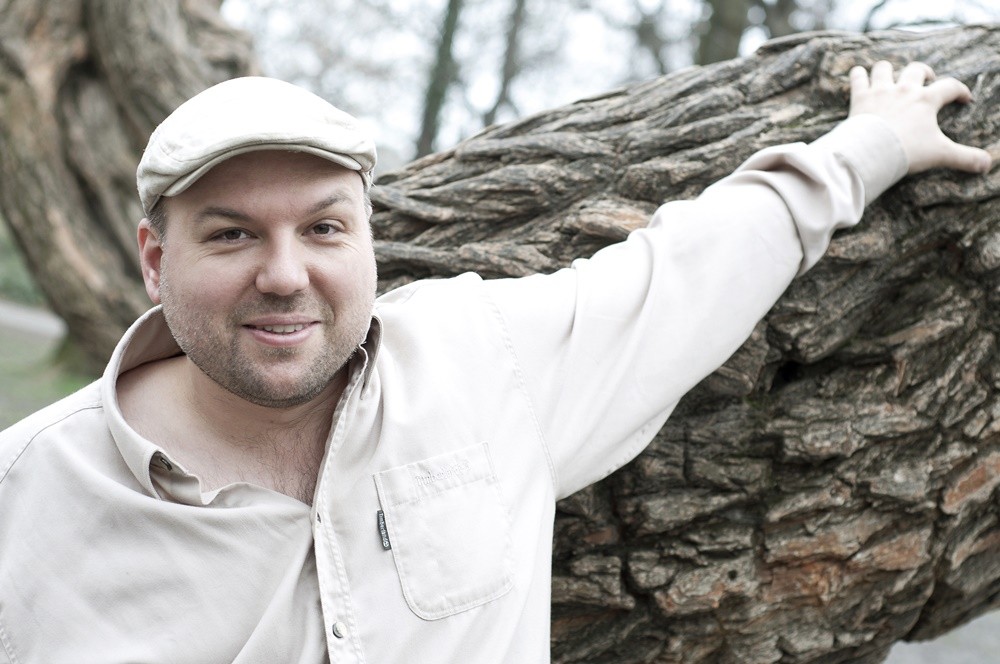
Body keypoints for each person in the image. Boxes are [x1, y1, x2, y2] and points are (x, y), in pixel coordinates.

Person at [0, 61, 990, 663]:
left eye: (324, 228)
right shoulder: (28, 495)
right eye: (231, 235)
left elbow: (690, 271)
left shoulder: (482, 361)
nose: (286, 275)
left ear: (368, 240)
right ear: (155, 259)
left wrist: (869, 146)